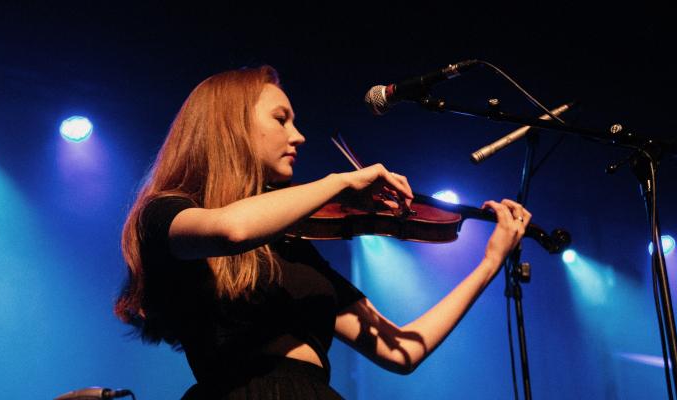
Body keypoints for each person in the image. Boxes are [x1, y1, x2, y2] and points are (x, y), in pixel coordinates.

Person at [114, 65, 532, 399]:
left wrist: (489, 264)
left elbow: (401, 351)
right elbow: (232, 229)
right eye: (281, 119)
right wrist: (341, 181)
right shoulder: (166, 212)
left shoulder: (295, 250)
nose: (297, 136)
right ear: (230, 126)